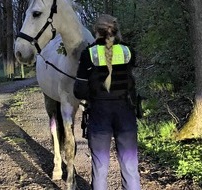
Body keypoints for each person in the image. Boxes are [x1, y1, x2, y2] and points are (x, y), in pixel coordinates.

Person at [73, 14, 141, 190]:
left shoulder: (88, 54)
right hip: (125, 111)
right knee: (130, 165)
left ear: (96, 31)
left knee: (100, 166)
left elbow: (78, 91)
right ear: (116, 30)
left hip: (99, 113)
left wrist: (93, 92)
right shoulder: (128, 51)